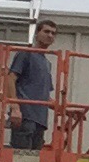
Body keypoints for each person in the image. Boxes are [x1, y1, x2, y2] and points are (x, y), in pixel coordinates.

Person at [7, 19, 57, 147]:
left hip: (40, 120)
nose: (50, 35)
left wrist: (66, 109)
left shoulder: (47, 64)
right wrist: (15, 108)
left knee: (34, 158)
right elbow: (10, 78)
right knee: (21, 156)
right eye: (46, 31)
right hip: (25, 116)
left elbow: (44, 96)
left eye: (53, 33)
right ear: (37, 34)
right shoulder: (25, 53)